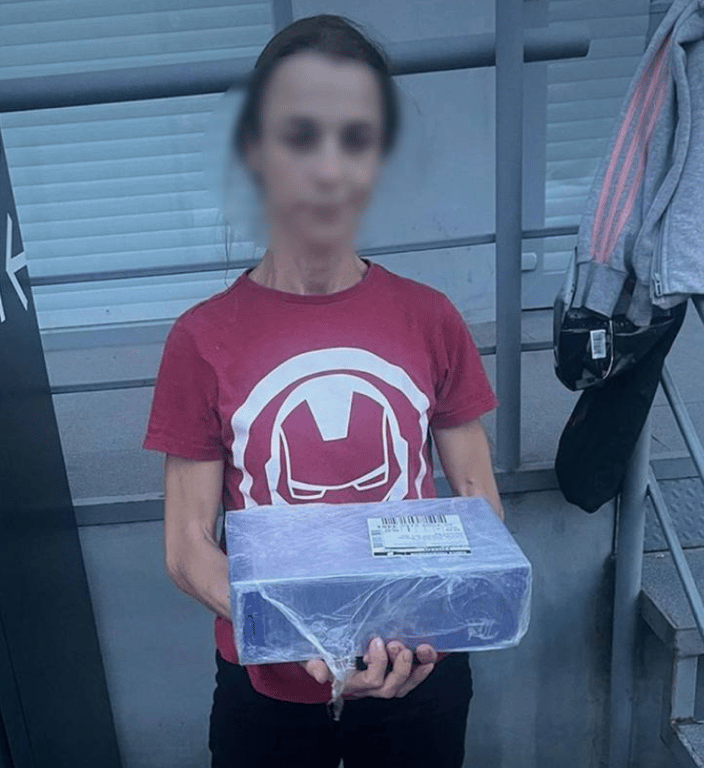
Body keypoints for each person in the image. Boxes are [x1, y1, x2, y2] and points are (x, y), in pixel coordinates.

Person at [142, 14, 505, 768]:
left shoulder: (431, 318)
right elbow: (186, 546)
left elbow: (478, 504)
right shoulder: (201, 338)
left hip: (418, 671)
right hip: (269, 684)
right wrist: (309, 632)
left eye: (356, 138)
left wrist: (418, 624)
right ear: (254, 150)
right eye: (300, 136)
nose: (329, 169)